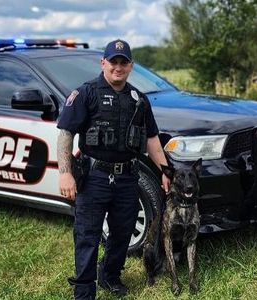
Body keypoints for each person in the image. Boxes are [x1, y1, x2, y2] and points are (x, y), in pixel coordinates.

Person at [56, 39, 170, 300]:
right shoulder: (86, 94)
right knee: (88, 233)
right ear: (103, 63)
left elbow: (151, 139)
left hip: (128, 176)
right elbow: (66, 134)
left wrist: (165, 170)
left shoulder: (138, 100)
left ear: (131, 66)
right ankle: (84, 290)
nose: (118, 67)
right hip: (94, 176)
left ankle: (110, 275)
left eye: (123, 62)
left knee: (122, 230)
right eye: (113, 62)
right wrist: (65, 172)